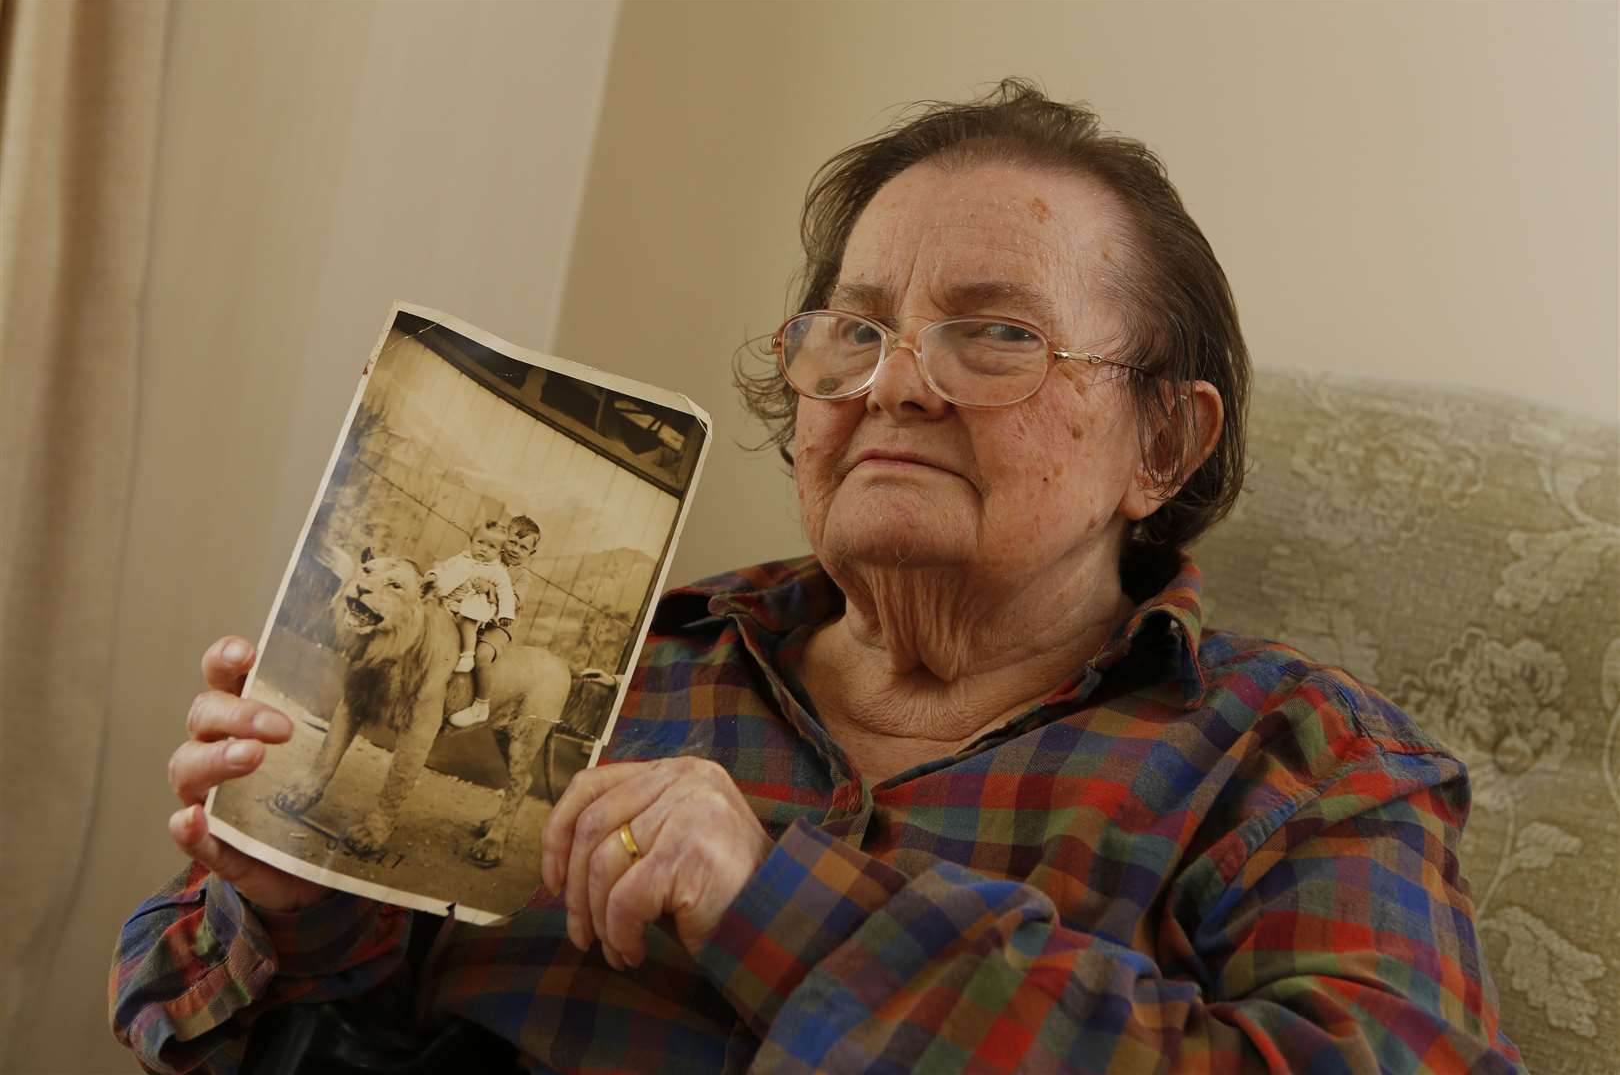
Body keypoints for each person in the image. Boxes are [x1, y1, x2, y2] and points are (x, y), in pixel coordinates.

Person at [111, 81, 1524, 1073]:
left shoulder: (1307, 767)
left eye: (995, 336)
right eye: (852, 332)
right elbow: (197, 1013)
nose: (894, 384)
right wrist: (293, 898)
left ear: (1163, 438)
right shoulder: (626, 662)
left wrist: (776, 906)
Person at [446, 514, 542, 728]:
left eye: (523, 547)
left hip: (499, 624)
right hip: (472, 614)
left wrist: (491, 589)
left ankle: (481, 705)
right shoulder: (488, 558)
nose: (515, 550)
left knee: (482, 655)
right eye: (512, 542)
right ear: (503, 539)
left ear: (531, 553)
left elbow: (515, 601)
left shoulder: (523, 577)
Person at [421, 519, 516, 726]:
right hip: (447, 602)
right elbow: (443, 568)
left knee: (467, 620)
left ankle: (468, 654)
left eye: (491, 547)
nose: (484, 549)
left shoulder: (496, 570)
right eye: (480, 543)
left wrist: (506, 611)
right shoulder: (461, 558)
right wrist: (433, 575)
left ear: (499, 551)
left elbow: (506, 592)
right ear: (471, 541)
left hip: (472, 607)